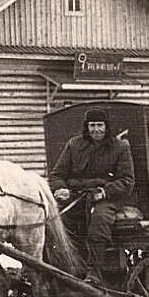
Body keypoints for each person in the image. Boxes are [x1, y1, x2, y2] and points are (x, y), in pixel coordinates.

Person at [48, 107, 135, 263]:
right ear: (87, 127)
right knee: (57, 220)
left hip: (106, 199)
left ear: (106, 126)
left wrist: (104, 192)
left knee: (99, 222)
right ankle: (70, 264)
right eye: (92, 125)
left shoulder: (120, 147)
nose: (96, 130)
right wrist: (61, 189)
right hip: (77, 196)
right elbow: (57, 174)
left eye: (100, 125)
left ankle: (95, 271)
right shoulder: (74, 145)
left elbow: (127, 181)